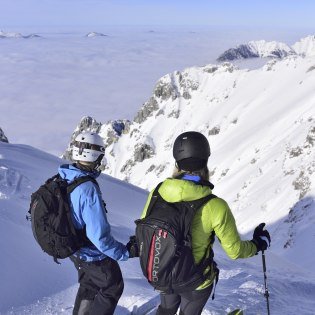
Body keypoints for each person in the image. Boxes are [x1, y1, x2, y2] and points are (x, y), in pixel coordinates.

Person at [139, 131, 271, 315]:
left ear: (177, 162)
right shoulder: (215, 205)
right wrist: (257, 244)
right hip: (195, 279)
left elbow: (145, 228)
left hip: (162, 271)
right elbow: (235, 251)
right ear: (205, 162)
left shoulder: (157, 191)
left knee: (166, 310)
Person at [58, 131, 138, 315]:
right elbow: (99, 237)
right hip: (89, 252)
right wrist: (124, 252)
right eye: (100, 156)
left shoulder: (66, 175)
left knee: (89, 285)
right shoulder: (87, 188)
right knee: (113, 285)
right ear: (94, 155)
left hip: (74, 249)